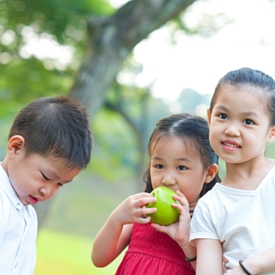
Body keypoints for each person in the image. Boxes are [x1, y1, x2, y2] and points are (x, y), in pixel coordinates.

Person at [92, 113, 220, 275]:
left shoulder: (208, 223)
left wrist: (185, 241)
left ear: (209, 173)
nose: (167, 179)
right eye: (159, 166)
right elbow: (99, 259)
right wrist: (116, 219)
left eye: (181, 167)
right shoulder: (143, 214)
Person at [190, 67, 275, 275]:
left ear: (271, 132)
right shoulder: (209, 207)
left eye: (248, 122)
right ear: (209, 118)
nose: (231, 130)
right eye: (223, 116)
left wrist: (249, 267)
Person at [0, 96, 92, 275]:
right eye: (45, 176)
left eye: (60, 184)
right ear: (16, 147)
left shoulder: (28, 215)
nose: (48, 191)